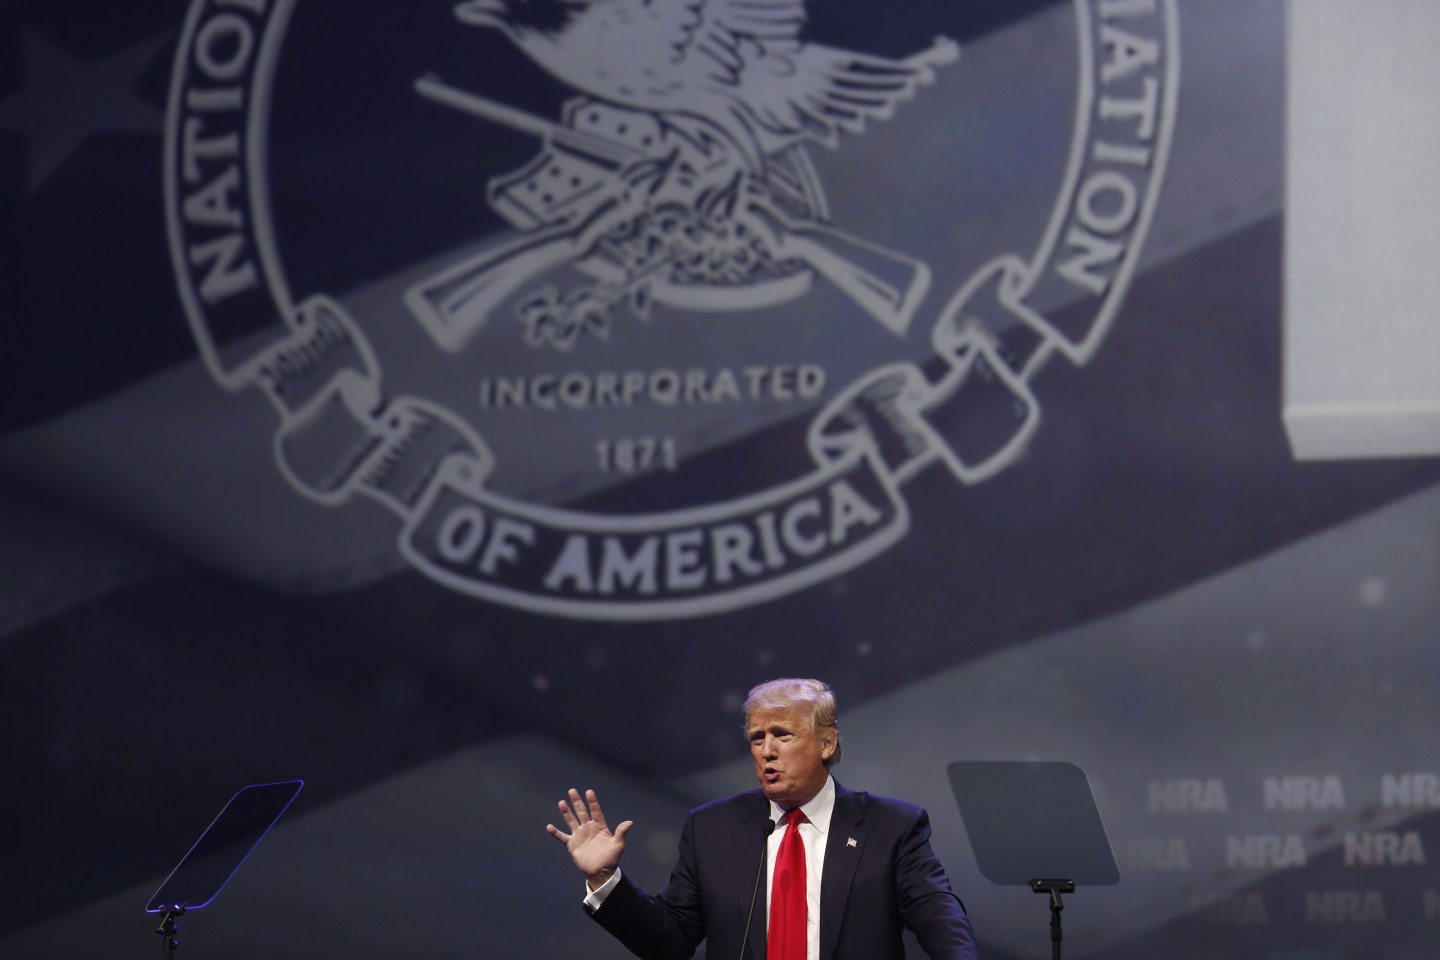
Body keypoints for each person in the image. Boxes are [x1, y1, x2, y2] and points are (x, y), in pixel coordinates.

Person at [546, 677, 981, 959]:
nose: (767, 750)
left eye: (782, 735)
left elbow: (939, 919)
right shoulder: (711, 828)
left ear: (827, 744)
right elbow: (670, 941)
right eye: (757, 738)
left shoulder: (892, 827)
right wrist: (606, 879)